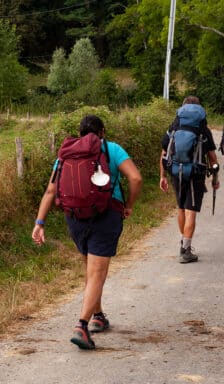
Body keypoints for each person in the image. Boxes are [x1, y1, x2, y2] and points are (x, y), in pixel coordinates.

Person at [32, 115, 143, 350]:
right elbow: (135, 178)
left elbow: (51, 191)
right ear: (102, 131)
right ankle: (81, 326)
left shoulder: (67, 154)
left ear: (80, 132)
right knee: (96, 273)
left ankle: (98, 315)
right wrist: (129, 205)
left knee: (90, 269)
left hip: (75, 218)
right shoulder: (110, 148)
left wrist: (39, 222)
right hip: (106, 216)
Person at [159, 96, 219, 263]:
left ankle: (183, 242)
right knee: (190, 210)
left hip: (175, 172)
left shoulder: (173, 127)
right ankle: (186, 250)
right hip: (195, 174)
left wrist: (162, 176)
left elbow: (164, 154)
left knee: (181, 208)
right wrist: (215, 178)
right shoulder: (203, 130)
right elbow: (213, 158)